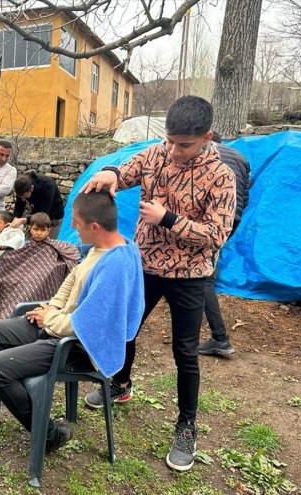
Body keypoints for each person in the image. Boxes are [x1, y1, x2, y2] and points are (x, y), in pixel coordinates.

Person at [82, 96, 236, 472]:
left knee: (185, 352)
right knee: (127, 329)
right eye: (170, 141)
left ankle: (186, 426)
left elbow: (218, 234)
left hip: (190, 275)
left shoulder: (221, 175)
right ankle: (120, 384)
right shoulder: (155, 155)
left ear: (206, 137)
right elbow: (129, 170)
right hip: (146, 266)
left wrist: (167, 218)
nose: (174, 150)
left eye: (184, 144)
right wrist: (113, 173)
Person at [0, 191, 144, 463]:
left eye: (76, 223)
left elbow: (92, 325)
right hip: (57, 327)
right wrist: (52, 308)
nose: (71, 228)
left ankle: (50, 434)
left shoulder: (114, 265)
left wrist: (51, 321)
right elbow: (71, 281)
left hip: (76, 346)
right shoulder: (98, 248)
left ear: (95, 226)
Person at [198, 132, 251, 357]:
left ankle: (221, 338)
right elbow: (245, 196)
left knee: (204, 278)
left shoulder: (203, 153)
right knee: (206, 266)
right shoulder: (241, 158)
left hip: (207, 220)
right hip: (232, 219)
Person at [0, 213, 80, 320]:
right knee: (8, 281)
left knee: (31, 284)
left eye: (42, 230)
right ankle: (6, 314)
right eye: (36, 229)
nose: (38, 233)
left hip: (36, 276)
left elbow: (72, 251)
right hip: (23, 274)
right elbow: (18, 258)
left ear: (48, 231)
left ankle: (18, 313)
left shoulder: (52, 246)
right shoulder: (27, 245)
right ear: (30, 229)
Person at [11, 171, 64, 238]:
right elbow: (19, 206)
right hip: (37, 213)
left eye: (24, 197)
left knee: (48, 244)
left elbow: (44, 215)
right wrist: (15, 218)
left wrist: (23, 220)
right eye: (20, 197)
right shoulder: (21, 187)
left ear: (31, 188)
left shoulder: (48, 186)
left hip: (53, 218)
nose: (23, 200)